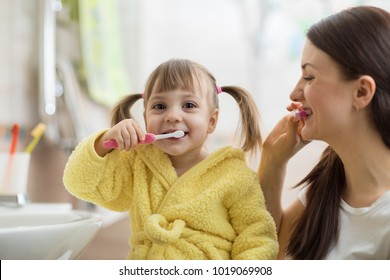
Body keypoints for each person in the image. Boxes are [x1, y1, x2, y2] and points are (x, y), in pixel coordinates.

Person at [63, 58, 278, 260]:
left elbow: (257, 238)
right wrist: (102, 143)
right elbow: (79, 183)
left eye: (189, 105)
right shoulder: (137, 164)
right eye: (159, 106)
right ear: (146, 118)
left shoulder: (235, 176)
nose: (172, 115)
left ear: (211, 121)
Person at [258, 6, 390, 260]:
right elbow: (267, 256)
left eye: (309, 77)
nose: (295, 94)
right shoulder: (326, 188)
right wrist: (272, 163)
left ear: (361, 92)